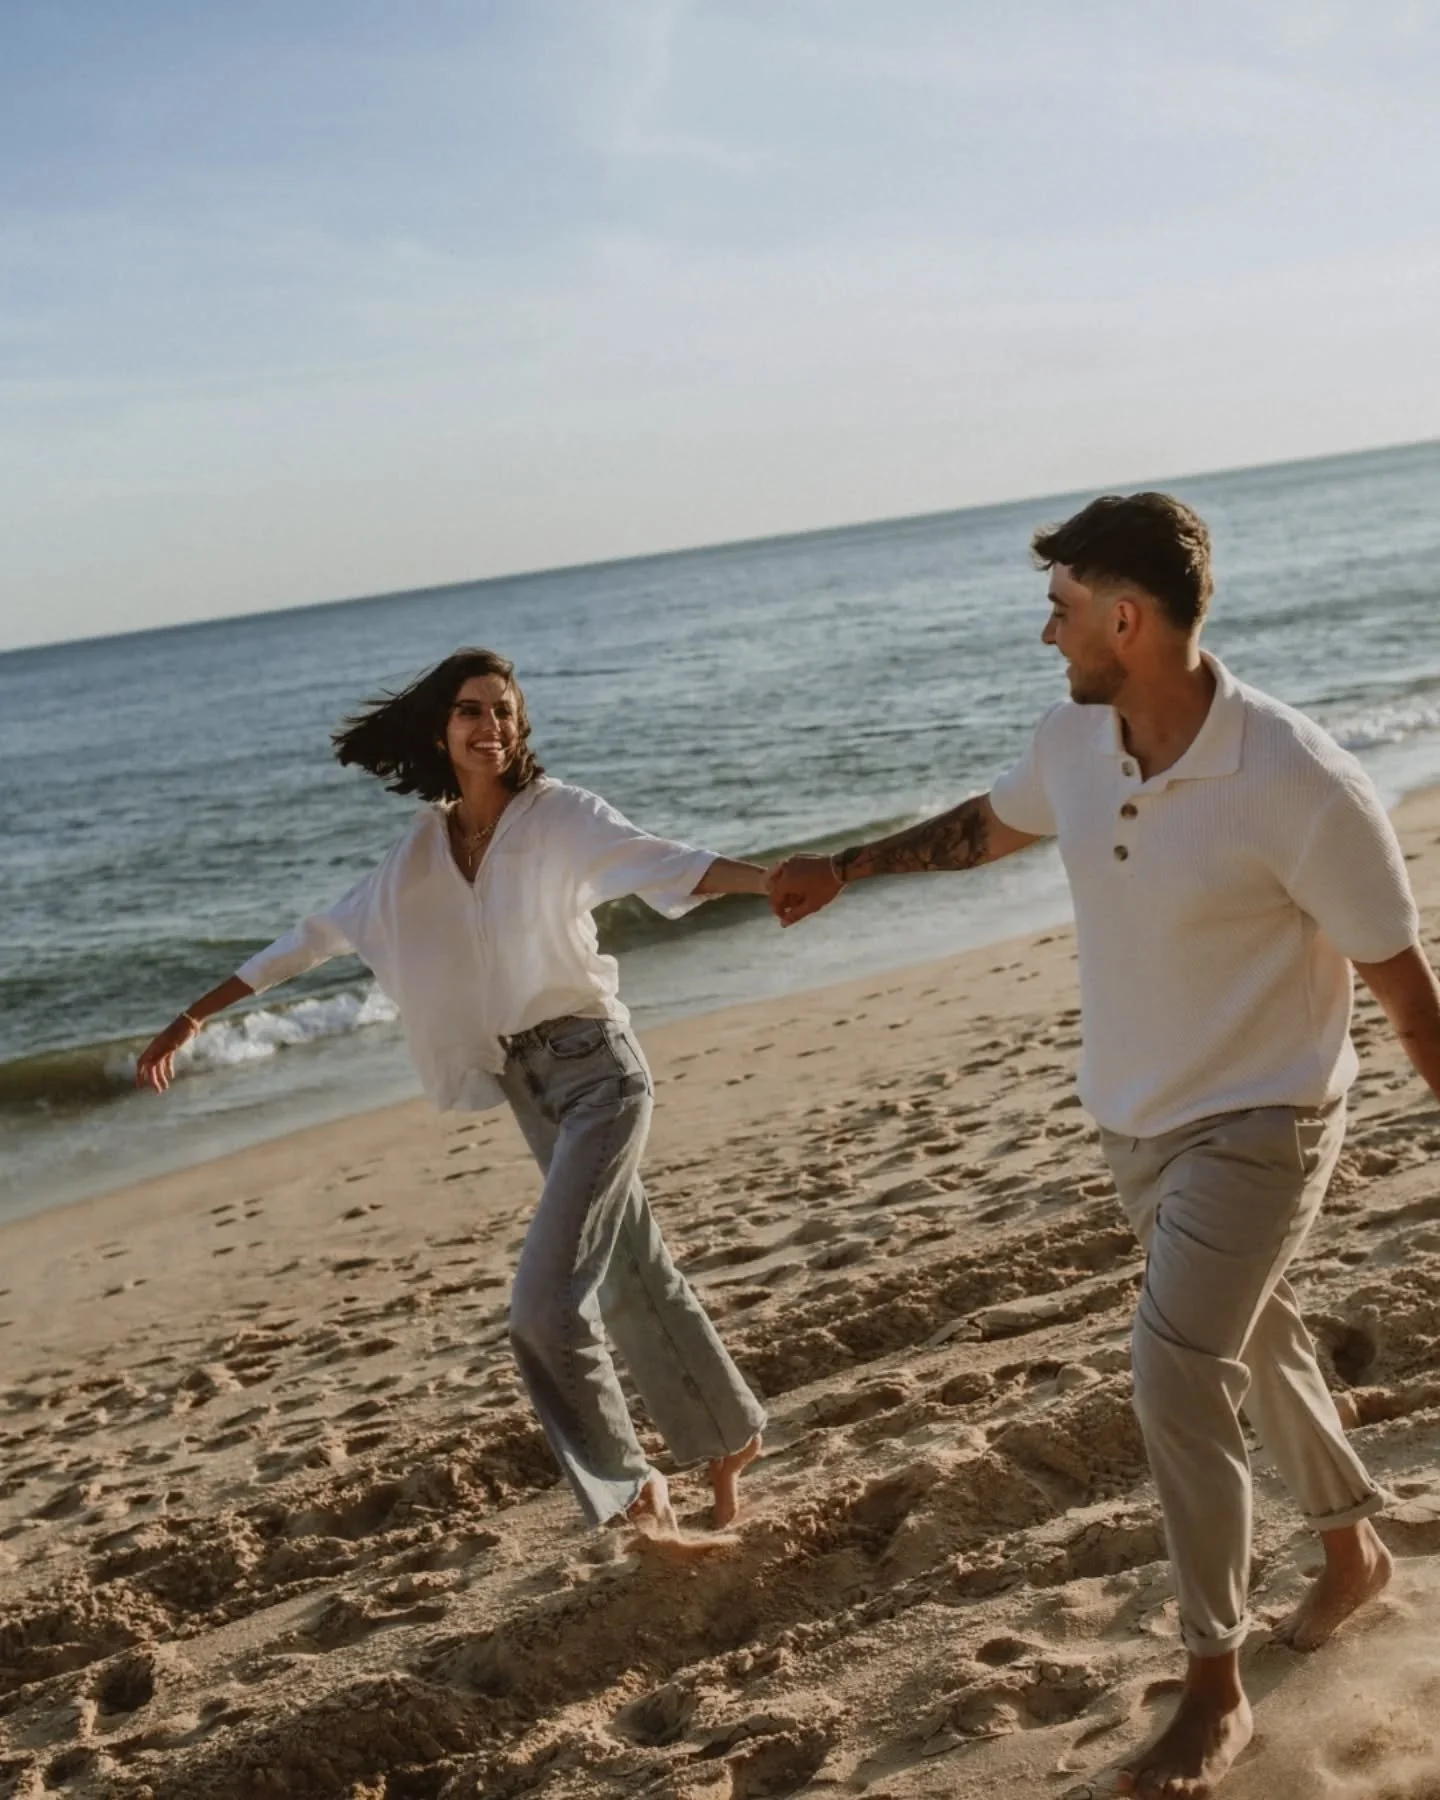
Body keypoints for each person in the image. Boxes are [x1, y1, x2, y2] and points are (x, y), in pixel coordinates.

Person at [767, 493, 1440, 1797]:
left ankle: (1211, 1685)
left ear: (1127, 619)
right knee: (1254, 1334)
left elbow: (1410, 998)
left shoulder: (1300, 783)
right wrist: (847, 867)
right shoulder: (1076, 744)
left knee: (1173, 1366)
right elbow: (982, 829)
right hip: (1135, 1122)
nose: (1045, 632)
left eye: (1063, 607)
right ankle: (1355, 1555)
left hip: (1267, 1119)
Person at [137, 647, 767, 1542]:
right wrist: (193, 1017)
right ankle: (726, 1445)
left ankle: (633, 1490)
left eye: (504, 711)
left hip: (600, 1074)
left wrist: (775, 879)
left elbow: (667, 862)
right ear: (443, 729)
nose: (491, 727)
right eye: (472, 711)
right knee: (631, 1272)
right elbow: (317, 935)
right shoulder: (423, 852)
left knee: (541, 1311)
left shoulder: (559, 817)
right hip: (529, 1087)